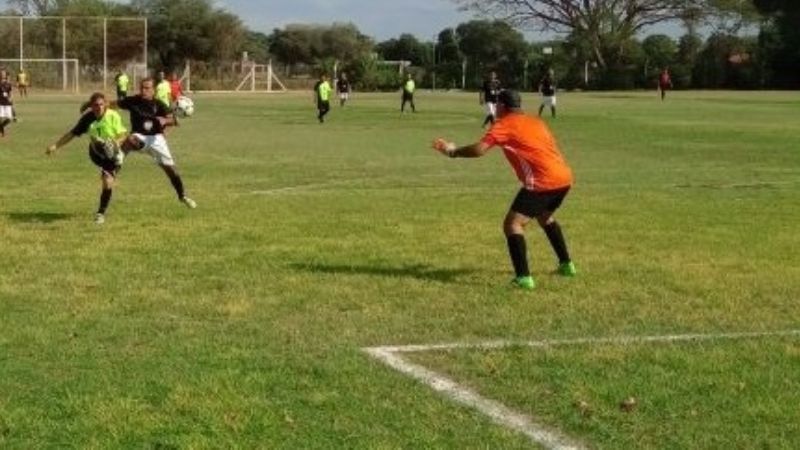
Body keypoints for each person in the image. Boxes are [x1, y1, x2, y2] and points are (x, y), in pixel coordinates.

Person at [432, 90, 576, 290]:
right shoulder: (536, 122)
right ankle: (567, 265)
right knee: (545, 217)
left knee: (512, 224)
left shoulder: (504, 125)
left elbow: (479, 150)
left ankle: (523, 278)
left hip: (542, 181)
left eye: (497, 104)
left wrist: (452, 151)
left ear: (501, 106)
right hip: (564, 177)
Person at [46, 92, 128, 224]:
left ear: (105, 105)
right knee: (100, 144)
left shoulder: (113, 115)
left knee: (107, 182)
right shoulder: (88, 118)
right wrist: (56, 146)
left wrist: (116, 144)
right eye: (95, 105)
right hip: (96, 152)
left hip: (113, 152)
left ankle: (100, 213)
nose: (99, 107)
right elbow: (72, 134)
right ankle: (105, 153)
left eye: (101, 104)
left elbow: (123, 135)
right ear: (91, 106)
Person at [115, 78, 197, 209]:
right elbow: (113, 104)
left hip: (156, 139)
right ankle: (115, 165)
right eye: (142, 88)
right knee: (130, 139)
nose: (143, 90)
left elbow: (174, 121)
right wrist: (95, 105)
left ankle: (182, 196)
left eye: (147, 88)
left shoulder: (159, 104)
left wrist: (165, 121)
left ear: (153, 90)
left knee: (171, 171)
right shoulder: (132, 101)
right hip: (139, 137)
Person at [0, 71, 14, 137]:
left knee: (9, 119)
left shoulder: (8, 84)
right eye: (1, 74)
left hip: (7, 103)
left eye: (4, 74)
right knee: (1, 118)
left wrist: (11, 98)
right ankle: (3, 133)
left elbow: (10, 92)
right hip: (0, 103)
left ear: (5, 75)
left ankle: (1, 127)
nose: (3, 75)